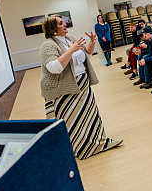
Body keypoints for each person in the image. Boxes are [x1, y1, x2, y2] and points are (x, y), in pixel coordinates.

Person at [40, 15, 122, 160]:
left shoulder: (69, 38)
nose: (64, 24)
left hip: (82, 82)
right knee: (73, 120)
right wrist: (70, 50)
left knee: (90, 115)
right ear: (53, 29)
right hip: (65, 89)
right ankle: (78, 147)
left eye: (63, 22)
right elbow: (54, 68)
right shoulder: (48, 45)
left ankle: (99, 143)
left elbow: (87, 53)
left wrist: (92, 42)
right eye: (60, 23)